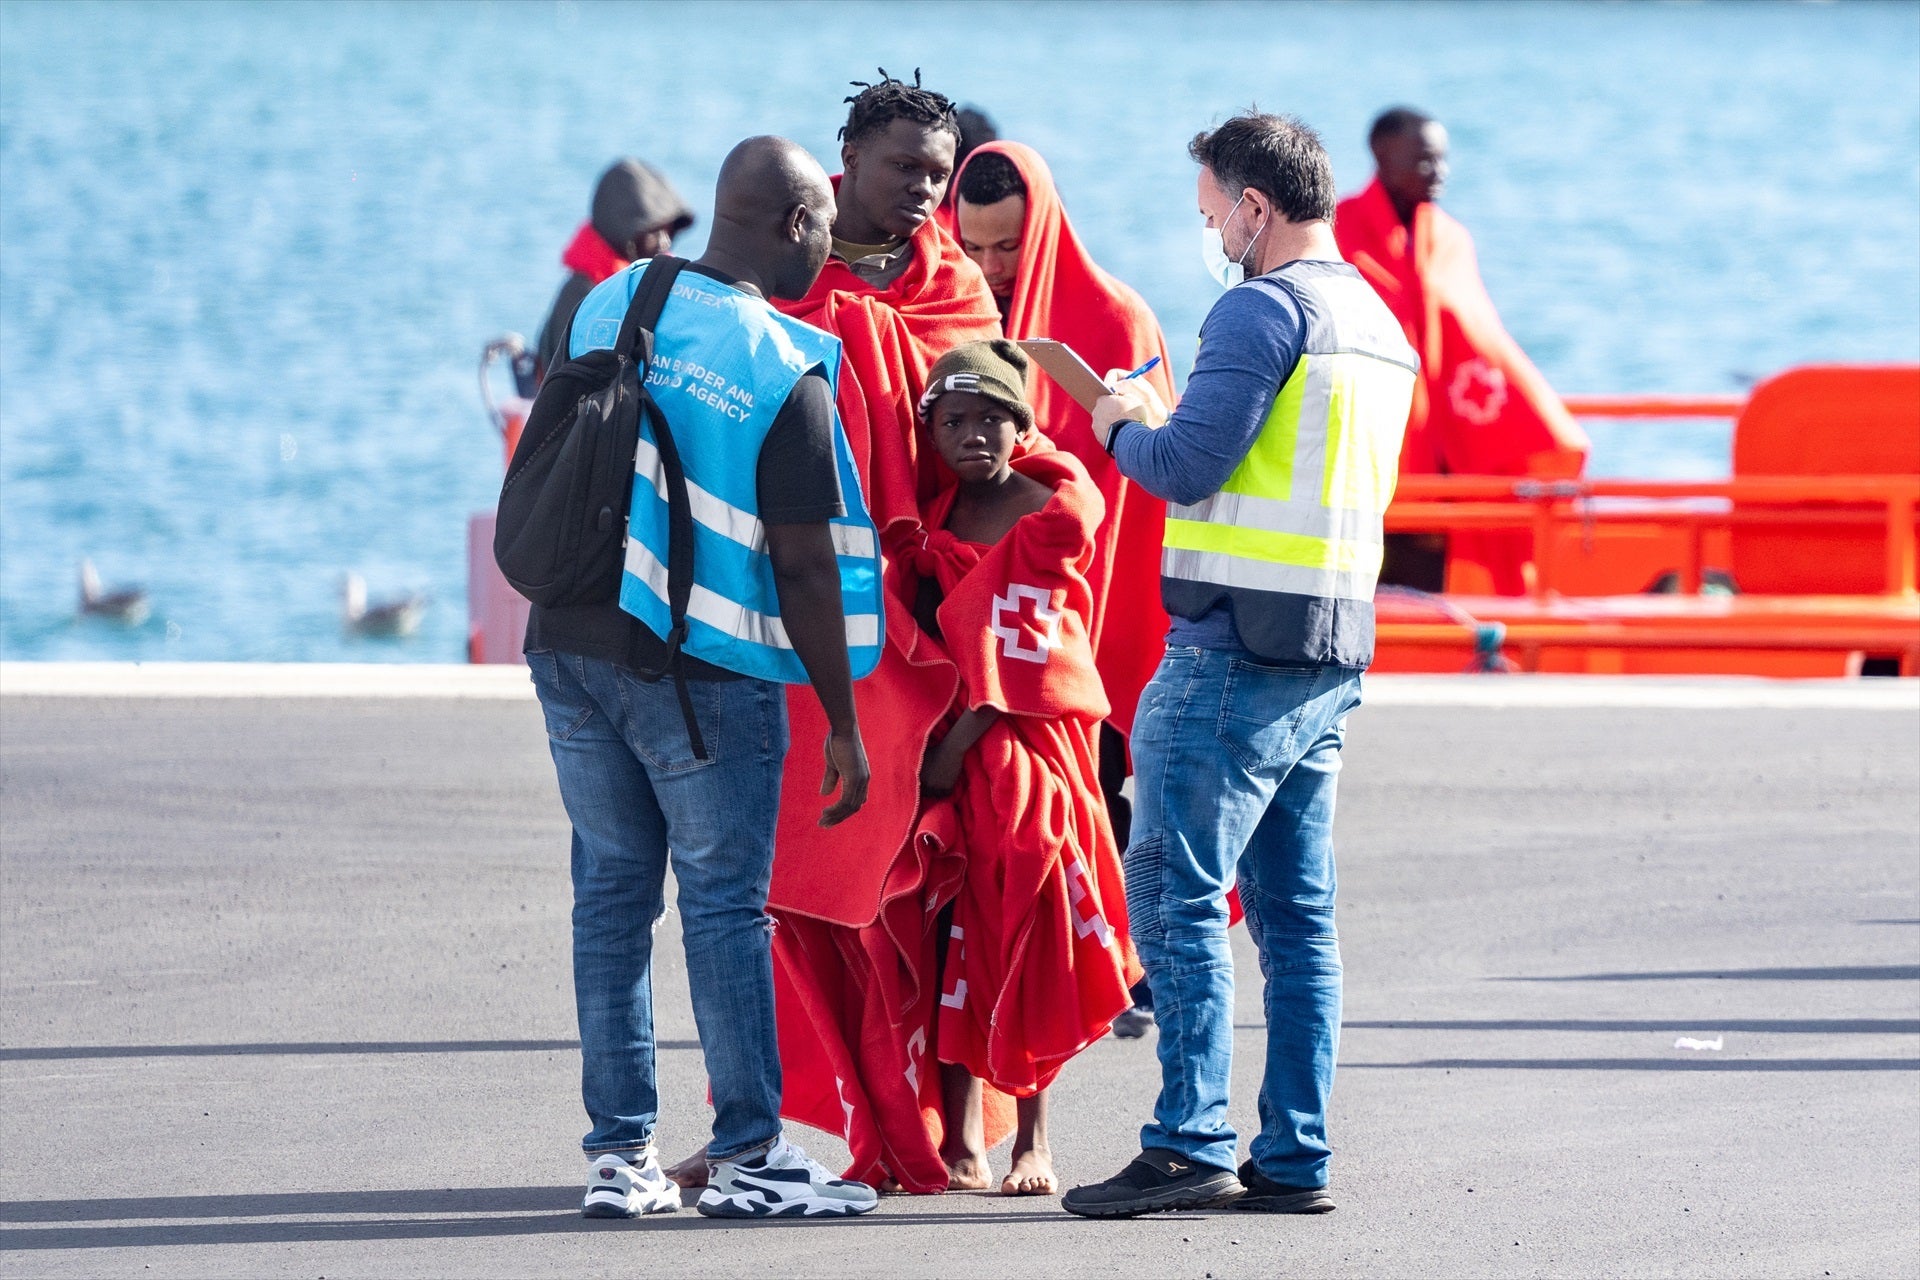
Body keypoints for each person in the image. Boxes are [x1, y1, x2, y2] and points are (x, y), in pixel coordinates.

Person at [1060, 113, 1417, 1219]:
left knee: (1173, 890)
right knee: (1298, 917)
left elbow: (1181, 466)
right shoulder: (1376, 321)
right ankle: (1295, 1152)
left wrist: (1114, 415)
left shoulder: (1260, 310)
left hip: (1228, 649)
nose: (1209, 227)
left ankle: (1189, 1137)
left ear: (1256, 205)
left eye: (1213, 209)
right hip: (1327, 649)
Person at [525, 135, 881, 1221]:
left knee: (612, 899)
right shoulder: (781, 359)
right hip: (699, 670)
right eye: (823, 221)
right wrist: (842, 717)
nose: (830, 242)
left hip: (570, 643)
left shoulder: (613, 297)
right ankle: (750, 1156)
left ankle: (619, 1157)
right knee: (725, 906)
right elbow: (807, 557)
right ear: (791, 224)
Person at [769, 340, 1136, 1197]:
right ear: (928, 432)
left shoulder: (1050, 515)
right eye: (952, 421)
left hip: (1031, 756)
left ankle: (1033, 1141)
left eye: (991, 419)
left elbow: (1037, 656)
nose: (973, 436)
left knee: (1027, 919)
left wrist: (956, 745)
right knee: (947, 928)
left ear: (1021, 424)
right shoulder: (932, 523)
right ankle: (963, 1138)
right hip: (945, 759)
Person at [953, 139, 1179, 1034]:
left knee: (1108, 779)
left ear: (1042, 225)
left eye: (1006, 246)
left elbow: (1145, 476)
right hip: (991, 597)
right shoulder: (962, 310)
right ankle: (1042, 972)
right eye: (973, 245)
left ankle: (1131, 961)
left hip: (1101, 593)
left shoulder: (1117, 320)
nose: (991, 266)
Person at [1335, 107, 1588, 593]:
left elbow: (1481, 341)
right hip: (1361, 458)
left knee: (1418, 601)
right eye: (1425, 161)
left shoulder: (1451, 240)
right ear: (1381, 154)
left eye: (1444, 161)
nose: (1440, 174)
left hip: (1436, 465)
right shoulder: (1339, 231)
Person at [533, 158, 695, 382]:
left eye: (668, 231)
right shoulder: (583, 293)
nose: (664, 242)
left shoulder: (661, 282)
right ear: (624, 232)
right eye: (654, 232)